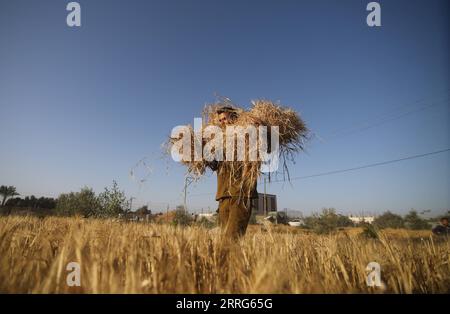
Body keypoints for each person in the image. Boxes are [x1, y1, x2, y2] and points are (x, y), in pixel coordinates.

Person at [208, 106, 258, 240]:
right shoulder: (218, 141)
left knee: (232, 239)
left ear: (234, 117)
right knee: (223, 239)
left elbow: (263, 151)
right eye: (221, 120)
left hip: (241, 194)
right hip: (223, 195)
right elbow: (216, 166)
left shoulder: (249, 135)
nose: (223, 122)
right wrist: (209, 160)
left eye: (225, 118)